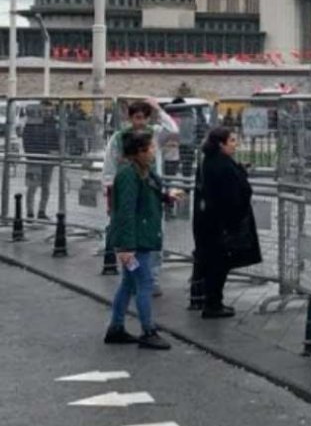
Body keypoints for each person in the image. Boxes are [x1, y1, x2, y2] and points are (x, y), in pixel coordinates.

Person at [103, 131, 185, 350]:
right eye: (150, 148)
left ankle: (116, 327)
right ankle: (148, 331)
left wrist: (168, 197)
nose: (153, 151)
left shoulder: (143, 171)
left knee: (129, 283)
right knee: (145, 283)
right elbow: (126, 212)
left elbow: (152, 191)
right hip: (135, 241)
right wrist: (126, 246)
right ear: (139, 152)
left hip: (141, 237)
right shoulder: (129, 174)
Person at [102, 100, 180, 293]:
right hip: (130, 191)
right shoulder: (119, 138)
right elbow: (109, 164)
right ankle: (133, 277)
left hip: (150, 193)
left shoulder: (154, 134)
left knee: (152, 235)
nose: (141, 122)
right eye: (137, 117)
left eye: (144, 117)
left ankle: (151, 278)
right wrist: (110, 190)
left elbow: (172, 130)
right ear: (130, 118)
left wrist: (158, 109)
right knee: (130, 233)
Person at [194, 127, 261, 318]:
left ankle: (214, 301)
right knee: (219, 265)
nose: (235, 144)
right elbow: (235, 194)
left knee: (217, 263)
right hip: (222, 224)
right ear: (221, 144)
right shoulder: (221, 165)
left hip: (212, 222)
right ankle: (213, 304)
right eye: (231, 141)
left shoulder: (211, 162)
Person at [21, 102, 60, 219]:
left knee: (46, 186)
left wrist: (55, 152)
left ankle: (41, 211)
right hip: (35, 158)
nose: (48, 113)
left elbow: (57, 139)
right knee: (32, 186)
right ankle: (30, 212)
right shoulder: (32, 123)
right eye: (45, 111)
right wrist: (30, 155)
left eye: (50, 111)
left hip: (48, 159)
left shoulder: (54, 123)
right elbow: (26, 139)